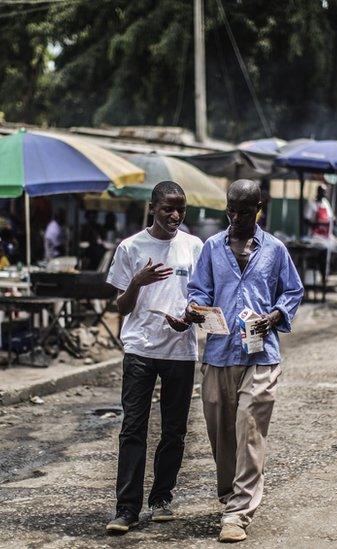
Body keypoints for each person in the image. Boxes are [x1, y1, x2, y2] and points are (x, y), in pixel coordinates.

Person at [184, 179, 304, 543]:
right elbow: (198, 289)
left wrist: (274, 317)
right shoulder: (211, 247)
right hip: (219, 353)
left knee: (250, 428)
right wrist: (194, 307)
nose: (235, 218)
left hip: (261, 355)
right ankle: (229, 494)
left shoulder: (276, 250)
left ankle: (238, 512)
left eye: (243, 211)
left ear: (258, 209)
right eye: (230, 210)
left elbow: (293, 290)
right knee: (221, 430)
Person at [104, 181, 205, 535]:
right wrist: (138, 281)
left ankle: (162, 499)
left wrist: (189, 315)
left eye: (180, 209)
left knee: (174, 431)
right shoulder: (130, 247)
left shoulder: (194, 247)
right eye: (167, 209)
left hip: (180, 349)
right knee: (133, 429)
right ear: (152, 208)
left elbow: (202, 298)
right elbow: (121, 306)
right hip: (140, 348)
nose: (174, 215)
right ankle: (126, 509)